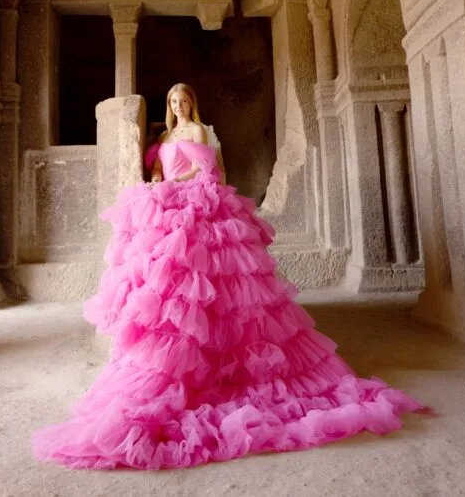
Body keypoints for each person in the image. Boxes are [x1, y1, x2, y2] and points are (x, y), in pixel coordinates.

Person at [31, 83, 426, 470]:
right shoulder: (165, 133)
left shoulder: (198, 131)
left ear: (192, 103)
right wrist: (156, 180)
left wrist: (174, 185)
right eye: (173, 100)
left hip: (193, 201)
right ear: (168, 106)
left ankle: (223, 359)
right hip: (167, 201)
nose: (179, 104)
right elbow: (155, 167)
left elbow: (209, 171)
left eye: (184, 99)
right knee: (169, 288)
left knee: (216, 285)